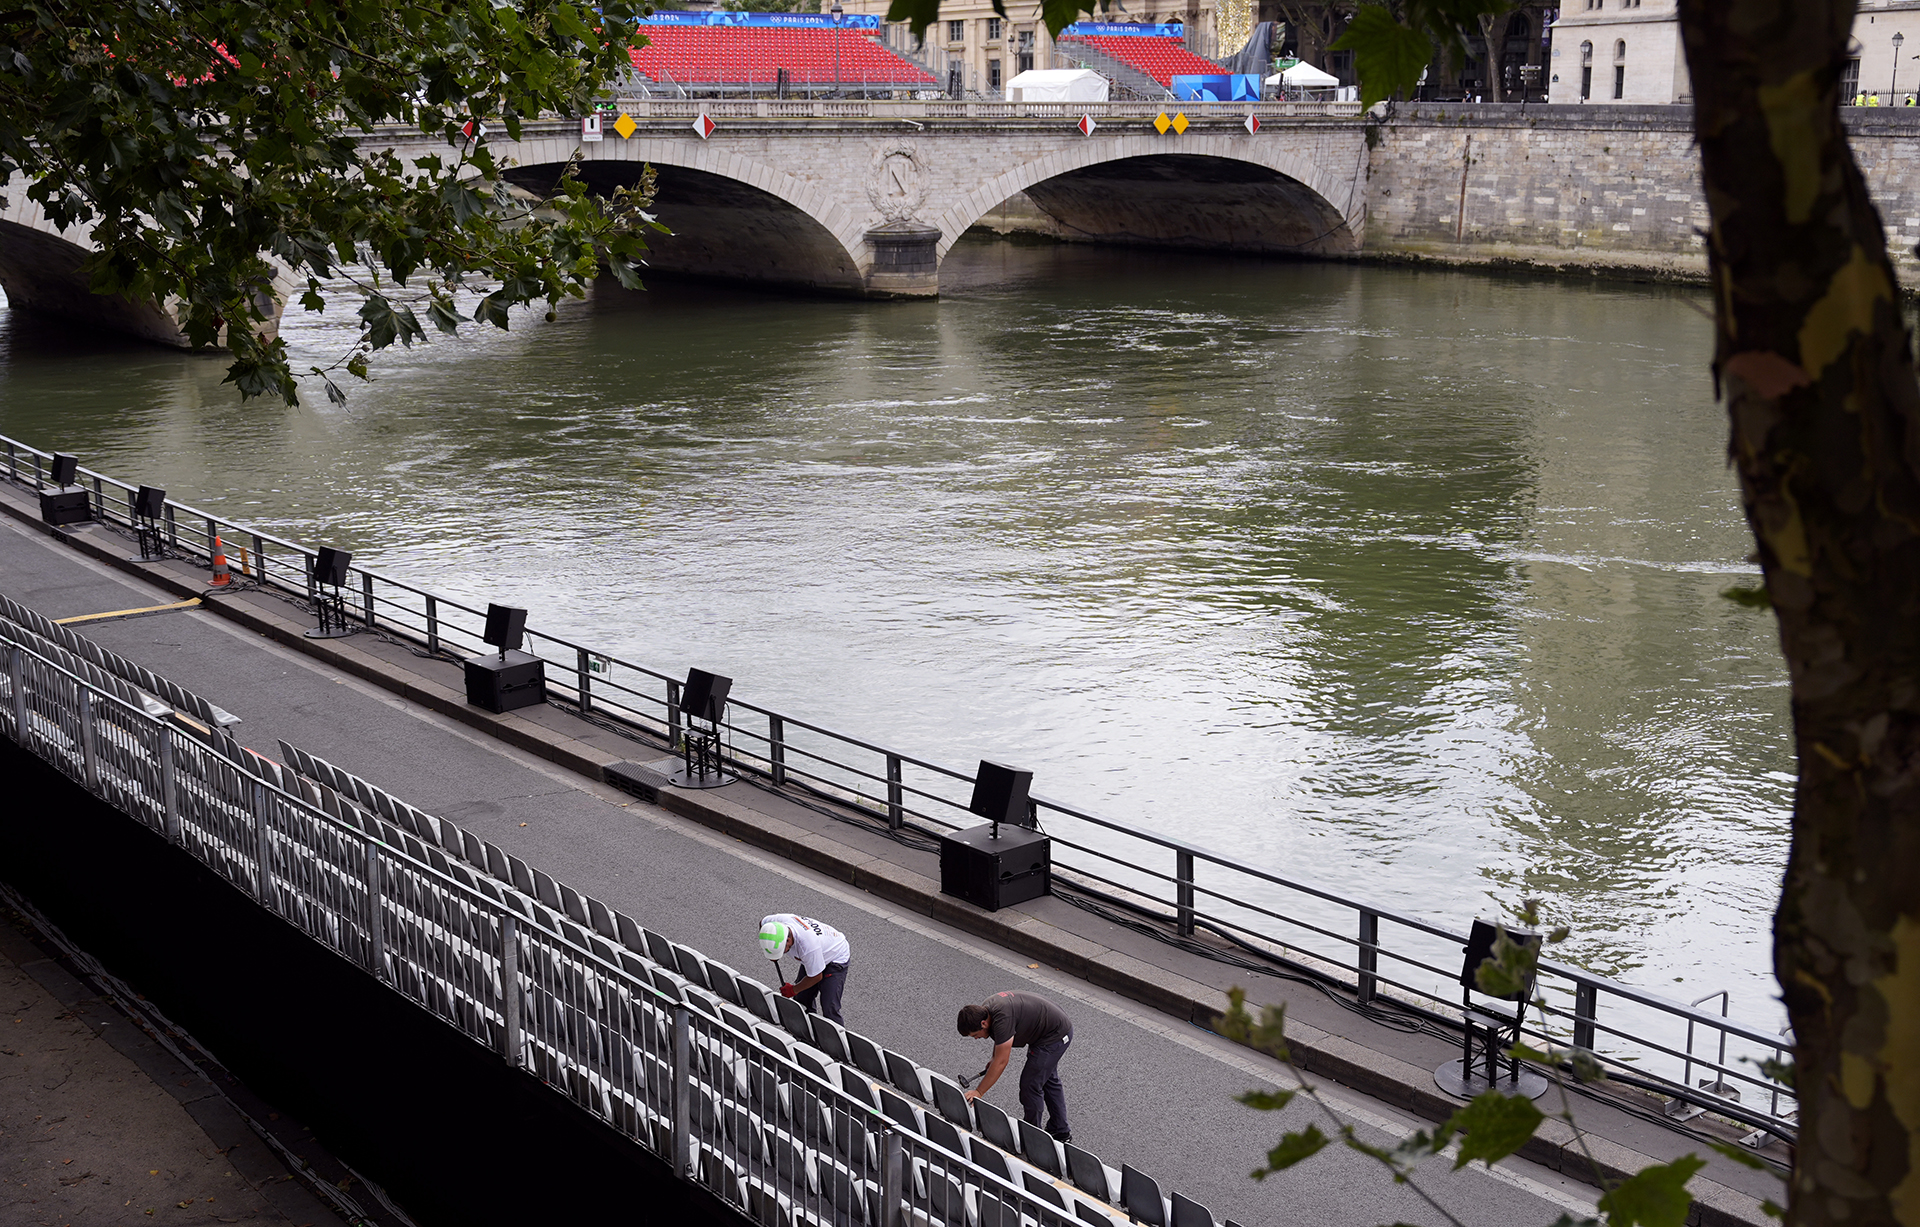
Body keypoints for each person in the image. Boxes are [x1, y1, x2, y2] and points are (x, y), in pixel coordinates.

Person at [957, 990, 1074, 1142]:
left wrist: (979, 1091)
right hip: (1046, 1029)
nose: (977, 1039)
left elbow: (1002, 1062)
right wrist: (994, 1057)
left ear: (983, 1023)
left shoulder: (1002, 1018)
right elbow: (999, 1043)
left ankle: (1032, 1138)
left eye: (975, 1035)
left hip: (1055, 1035)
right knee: (1047, 1079)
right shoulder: (986, 1011)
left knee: (1030, 1085)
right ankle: (1060, 1131)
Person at [758, 914, 851, 1025]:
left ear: (788, 940)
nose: (782, 953)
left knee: (829, 1006)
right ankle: (807, 1034)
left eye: (782, 950)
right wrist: (772, 950)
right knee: (802, 1000)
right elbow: (762, 923)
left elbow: (816, 976)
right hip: (816, 952)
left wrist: (793, 989)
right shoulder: (775, 923)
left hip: (835, 956)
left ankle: (838, 1040)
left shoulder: (807, 946)